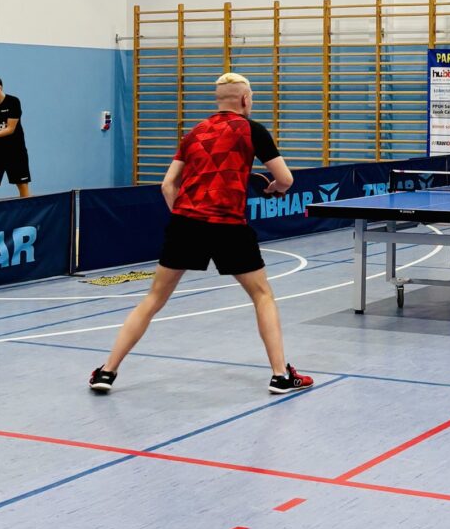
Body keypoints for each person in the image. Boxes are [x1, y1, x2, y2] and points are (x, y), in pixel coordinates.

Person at [89, 72, 314, 394]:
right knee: (262, 295)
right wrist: (274, 188)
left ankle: (107, 372)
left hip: (186, 223)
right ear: (245, 99)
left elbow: (168, 185)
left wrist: (183, 217)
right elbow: (286, 179)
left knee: (154, 298)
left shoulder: (194, 133)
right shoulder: (253, 130)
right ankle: (280, 375)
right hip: (228, 226)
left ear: (218, 100)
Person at [0, 76, 32, 198]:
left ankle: (28, 210)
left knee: (22, 185)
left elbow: (10, 129)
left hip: (15, 151)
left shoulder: (13, 102)